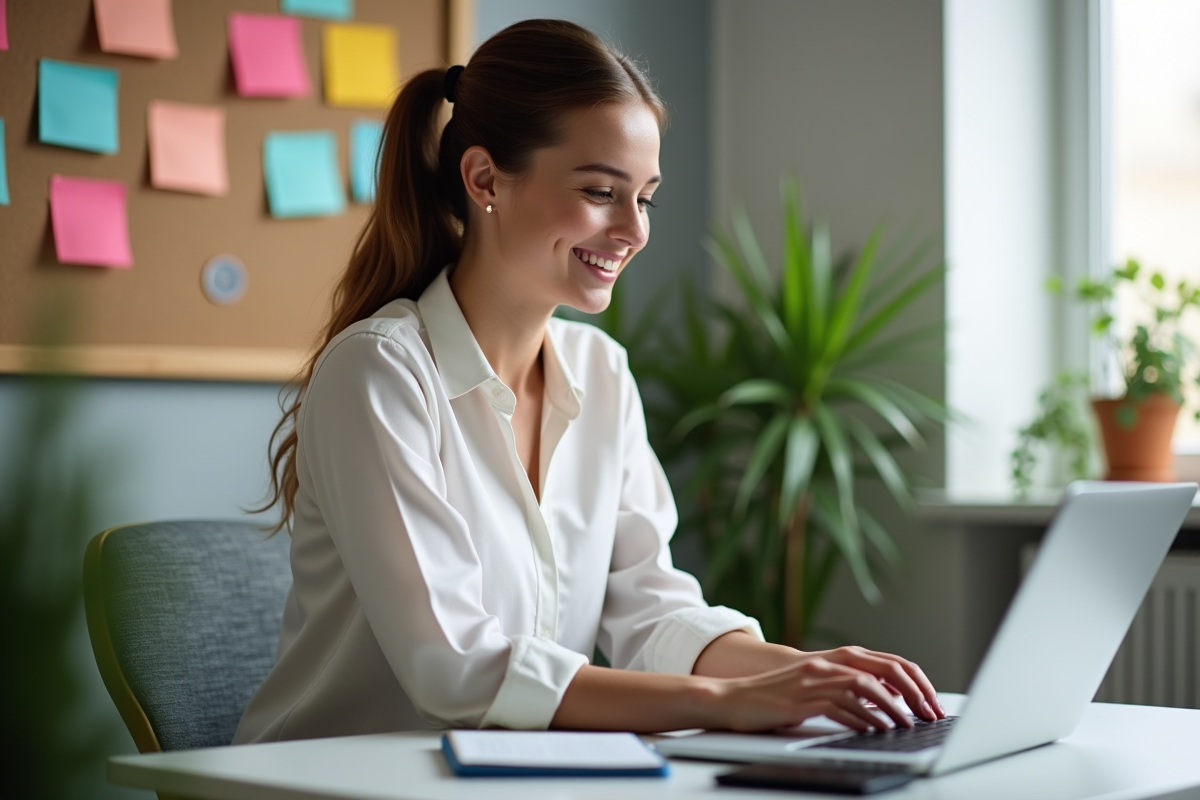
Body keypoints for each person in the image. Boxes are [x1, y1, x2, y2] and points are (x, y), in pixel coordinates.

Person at [235, 19, 943, 744]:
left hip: (502, 784)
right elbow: (454, 667)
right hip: (332, 780)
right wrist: (726, 702)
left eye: (646, 198)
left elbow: (655, 613)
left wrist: (807, 675)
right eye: (602, 191)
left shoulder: (602, 374)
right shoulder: (380, 371)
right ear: (484, 179)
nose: (633, 230)